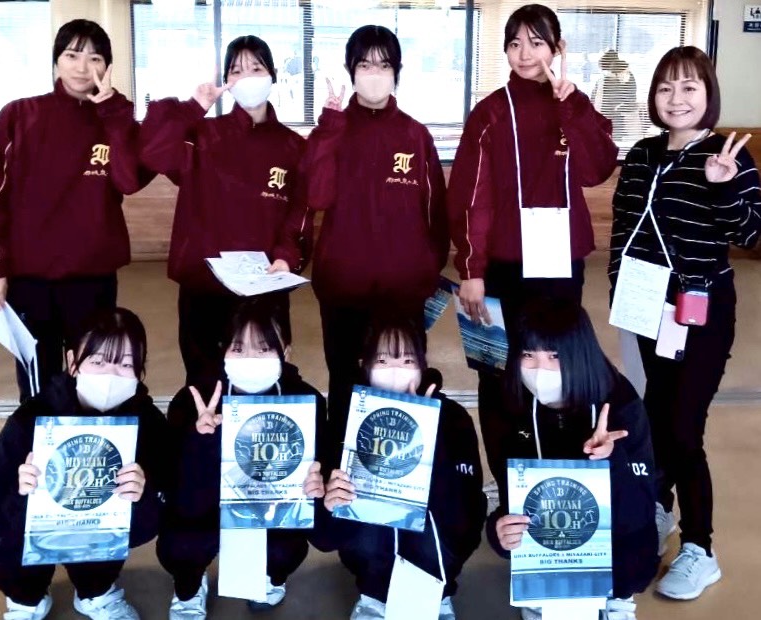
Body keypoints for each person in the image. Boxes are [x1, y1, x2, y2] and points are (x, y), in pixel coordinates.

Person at [609, 46, 761, 600]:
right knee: (654, 413)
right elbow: (625, 225)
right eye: (666, 87)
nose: (676, 98)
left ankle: (701, 548)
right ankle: (658, 508)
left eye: (689, 87)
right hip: (647, 306)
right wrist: (621, 291)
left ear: (708, 95)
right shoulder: (643, 153)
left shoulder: (728, 155)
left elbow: (749, 233)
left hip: (702, 311)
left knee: (683, 428)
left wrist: (722, 185)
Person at [445, 3, 617, 481]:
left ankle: (562, 476)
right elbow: (472, 197)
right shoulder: (490, 113)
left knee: (561, 367)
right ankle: (508, 482)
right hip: (502, 267)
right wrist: (472, 270)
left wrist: (572, 107)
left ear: (557, 48)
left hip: (560, 263)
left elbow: (596, 169)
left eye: (536, 43)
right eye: (515, 43)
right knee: (499, 371)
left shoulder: (575, 105)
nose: (524, 54)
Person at [0, 19, 153, 402]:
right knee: (38, 378)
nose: (82, 67)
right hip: (30, 279)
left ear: (107, 67)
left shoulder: (116, 121)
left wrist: (113, 114)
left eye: (94, 58)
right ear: (56, 61)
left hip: (94, 277)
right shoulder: (20, 116)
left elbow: (128, 180)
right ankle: (38, 434)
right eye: (72, 55)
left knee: (93, 373)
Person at [0, 308, 166, 620]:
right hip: (29, 533)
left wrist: (142, 497)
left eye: (126, 364)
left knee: (105, 526)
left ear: (141, 370)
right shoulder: (32, 418)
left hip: (97, 542)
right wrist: (20, 497)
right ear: (73, 362)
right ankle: (26, 599)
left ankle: (95, 592)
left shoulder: (148, 423)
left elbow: (151, 525)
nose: (111, 376)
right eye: (98, 361)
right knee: (5, 542)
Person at [300, 25, 448, 432]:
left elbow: (436, 214)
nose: (374, 74)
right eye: (365, 65)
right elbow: (316, 196)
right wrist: (329, 127)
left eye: (384, 65)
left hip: (404, 294)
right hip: (343, 291)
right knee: (346, 384)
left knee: (404, 387)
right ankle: (340, 466)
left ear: (396, 71)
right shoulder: (333, 130)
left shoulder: (415, 135)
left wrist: (424, 271)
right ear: (351, 70)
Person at [140, 35, 311, 384]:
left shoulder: (293, 146)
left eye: (256, 68)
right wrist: (193, 107)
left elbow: (300, 212)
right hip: (204, 286)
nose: (247, 77)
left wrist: (286, 257)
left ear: (273, 76)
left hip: (264, 286)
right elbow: (154, 154)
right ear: (226, 81)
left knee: (263, 381)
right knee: (205, 381)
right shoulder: (203, 135)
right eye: (236, 70)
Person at [488, 300, 658, 620]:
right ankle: (543, 591)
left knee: (635, 554)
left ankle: (617, 598)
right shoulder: (510, 402)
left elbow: (640, 507)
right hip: (547, 542)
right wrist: (499, 533)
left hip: (616, 532)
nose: (540, 370)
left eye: (554, 356)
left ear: (579, 354)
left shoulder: (620, 402)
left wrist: (611, 459)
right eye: (528, 355)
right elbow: (509, 492)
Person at [157, 299, 326, 618]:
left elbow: (312, 492)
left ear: (286, 352)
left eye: (264, 348)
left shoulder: (307, 400)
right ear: (223, 351)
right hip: (206, 508)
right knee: (182, 543)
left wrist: (316, 483)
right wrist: (201, 439)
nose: (250, 358)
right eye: (238, 348)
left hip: (271, 511)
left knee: (285, 547)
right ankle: (189, 585)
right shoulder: (194, 399)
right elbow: (183, 499)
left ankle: (270, 576)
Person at [316, 318, 486, 620]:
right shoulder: (347, 419)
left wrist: (427, 433)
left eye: (407, 360)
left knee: (438, 520)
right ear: (365, 365)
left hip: (435, 561)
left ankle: (437, 595)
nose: (395, 370)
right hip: (369, 561)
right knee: (365, 521)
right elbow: (324, 539)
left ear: (423, 365)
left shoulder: (453, 418)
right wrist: (329, 503)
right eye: (382, 360)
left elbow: (467, 513)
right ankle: (374, 597)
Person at [591, 50, 637, 141]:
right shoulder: (605, 78)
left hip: (615, 117)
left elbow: (629, 97)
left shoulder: (623, 77)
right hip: (609, 116)